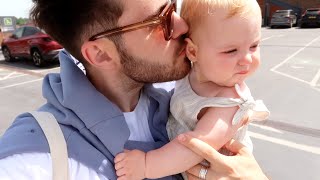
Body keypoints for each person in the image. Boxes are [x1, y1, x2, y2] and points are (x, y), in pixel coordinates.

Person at [0, 0, 266, 179]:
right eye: (160, 20)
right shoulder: (33, 155)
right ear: (101, 55)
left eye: (174, 5)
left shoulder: (175, 90)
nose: (182, 26)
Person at [114, 0, 270, 179]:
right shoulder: (188, 74)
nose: (247, 59)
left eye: (254, 46)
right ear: (193, 52)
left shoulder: (230, 102)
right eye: (231, 51)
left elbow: (195, 147)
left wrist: (147, 164)